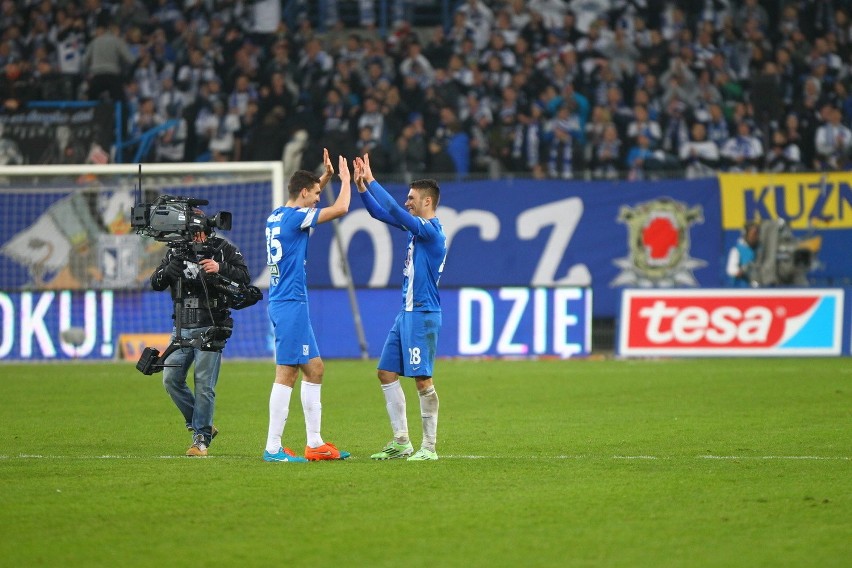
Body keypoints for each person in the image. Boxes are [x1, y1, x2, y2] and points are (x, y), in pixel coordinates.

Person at [353, 153, 446, 461]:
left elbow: (392, 207)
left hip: (422, 314)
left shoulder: (431, 232)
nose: (407, 202)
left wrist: (372, 179)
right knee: (385, 372)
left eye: (412, 198)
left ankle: (429, 447)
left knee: (422, 378)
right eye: (407, 198)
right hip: (405, 313)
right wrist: (362, 189)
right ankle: (402, 441)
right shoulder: (416, 229)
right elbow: (382, 213)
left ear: (427, 202)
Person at [263, 149, 352, 463]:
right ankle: (273, 447)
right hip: (290, 304)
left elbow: (306, 198)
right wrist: (345, 179)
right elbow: (341, 207)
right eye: (315, 194)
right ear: (303, 193)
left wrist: (323, 178)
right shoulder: (298, 218)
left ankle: (315, 443)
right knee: (286, 373)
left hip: (287, 302)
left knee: (314, 369)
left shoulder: (276, 215)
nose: (318, 198)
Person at [150, 208, 250, 456]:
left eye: (198, 233)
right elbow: (156, 282)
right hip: (182, 326)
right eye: (191, 234)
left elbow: (244, 278)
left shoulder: (223, 248)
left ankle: (201, 440)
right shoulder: (176, 251)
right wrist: (167, 271)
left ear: (207, 230)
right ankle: (200, 424)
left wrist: (220, 267)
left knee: (204, 384)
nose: (196, 239)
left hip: (212, 323)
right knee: (171, 379)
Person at [726, 222, 760, 287]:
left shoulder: (760, 249)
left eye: (757, 234)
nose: (755, 237)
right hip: (742, 290)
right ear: (745, 234)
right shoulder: (737, 250)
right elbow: (731, 270)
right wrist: (744, 270)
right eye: (753, 234)